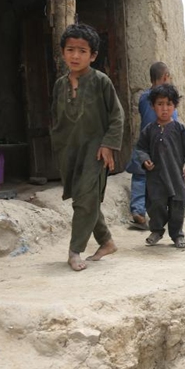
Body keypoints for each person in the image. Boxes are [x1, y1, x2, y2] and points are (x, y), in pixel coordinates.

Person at [50, 23, 123, 272]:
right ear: (63, 52)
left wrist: (109, 145)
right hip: (70, 152)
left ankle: (74, 250)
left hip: (96, 151)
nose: (75, 56)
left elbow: (117, 116)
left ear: (92, 55)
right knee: (84, 199)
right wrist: (58, 147)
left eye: (82, 51)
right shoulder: (60, 85)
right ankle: (106, 241)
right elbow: (56, 118)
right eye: (70, 49)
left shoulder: (101, 81)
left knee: (84, 201)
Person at [136, 84, 185, 249]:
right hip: (155, 176)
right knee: (156, 205)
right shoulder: (149, 130)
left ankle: (177, 235)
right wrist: (145, 159)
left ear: (174, 106)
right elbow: (141, 148)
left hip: (175, 176)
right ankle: (156, 230)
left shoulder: (179, 128)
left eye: (169, 104)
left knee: (177, 206)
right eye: (160, 104)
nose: (164, 109)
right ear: (153, 106)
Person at [127, 62, 179, 230]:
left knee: (140, 176)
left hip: (146, 141)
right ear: (165, 77)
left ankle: (138, 212)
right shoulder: (169, 101)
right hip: (164, 144)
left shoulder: (144, 97)